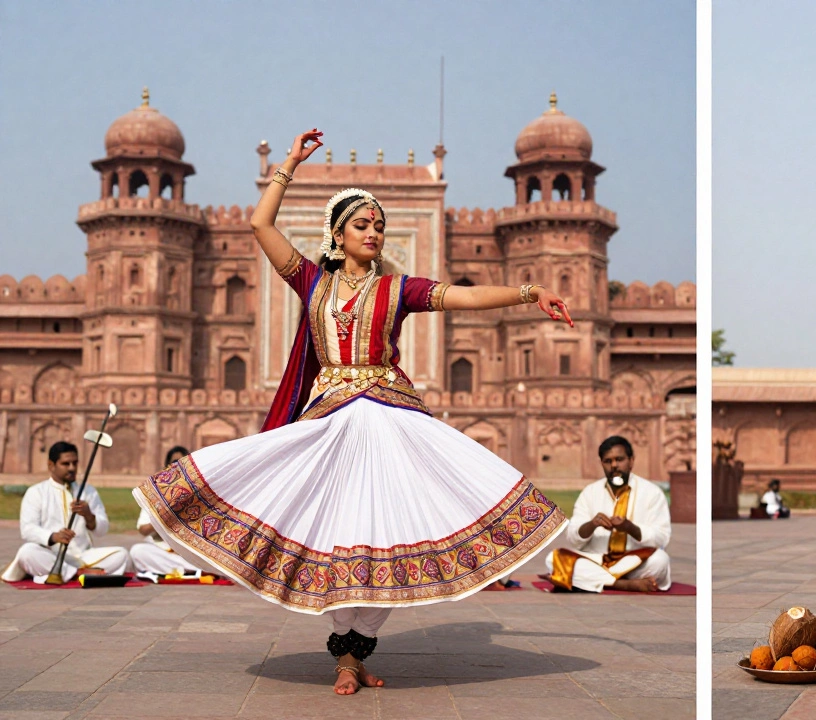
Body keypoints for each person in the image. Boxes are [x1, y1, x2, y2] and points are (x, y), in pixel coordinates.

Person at [133, 129, 571, 696]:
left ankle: (352, 655)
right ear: (337, 236)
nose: (374, 233)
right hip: (334, 419)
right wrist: (288, 164)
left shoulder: (397, 289)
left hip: (390, 419)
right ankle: (346, 655)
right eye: (362, 225)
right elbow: (260, 226)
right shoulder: (311, 280)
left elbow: (461, 295)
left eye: (380, 226)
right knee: (338, 531)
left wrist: (529, 293)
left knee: (389, 532)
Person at [542, 436, 672, 593]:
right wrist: (592, 525)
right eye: (608, 461)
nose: (614, 465)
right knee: (553, 559)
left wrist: (630, 528)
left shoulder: (652, 492)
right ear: (602, 463)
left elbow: (662, 537)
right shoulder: (590, 492)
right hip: (597, 559)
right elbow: (573, 537)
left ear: (631, 461)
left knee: (660, 561)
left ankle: (590, 581)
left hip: (634, 560)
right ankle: (622, 584)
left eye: (619, 459)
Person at [2, 442, 130, 584]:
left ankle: (66, 573)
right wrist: (53, 536)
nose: (72, 468)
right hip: (50, 555)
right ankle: (78, 574)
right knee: (27, 552)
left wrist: (89, 516)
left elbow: (102, 530)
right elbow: (27, 530)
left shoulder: (88, 491)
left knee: (122, 554)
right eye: (66, 464)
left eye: (75, 463)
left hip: (83, 556)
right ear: (51, 465)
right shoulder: (36, 492)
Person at [129, 446, 216, 576]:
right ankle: (193, 570)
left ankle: (191, 569)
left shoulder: (199, 494)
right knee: (138, 551)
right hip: (162, 550)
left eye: (182, 463)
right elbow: (143, 529)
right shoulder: (155, 493)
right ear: (166, 467)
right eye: (175, 463)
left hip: (189, 552)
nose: (178, 467)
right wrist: (163, 517)